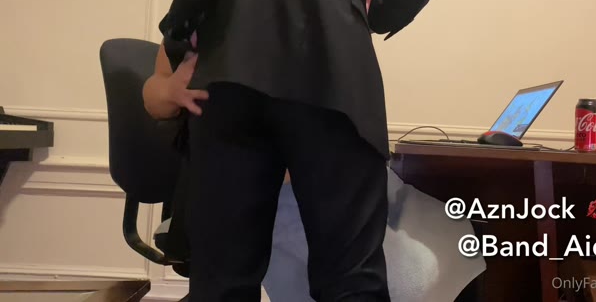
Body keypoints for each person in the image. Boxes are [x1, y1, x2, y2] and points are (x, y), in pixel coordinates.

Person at [134, 0, 458, 300]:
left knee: (220, 283)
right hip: (329, 67)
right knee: (351, 282)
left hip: (225, 69)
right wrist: (388, 10)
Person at [142, 42, 487, 301]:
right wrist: (170, 90)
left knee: (451, 234)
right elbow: (155, 91)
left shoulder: (314, 2)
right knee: (411, 279)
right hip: (271, 191)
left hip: (338, 175)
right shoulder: (196, 18)